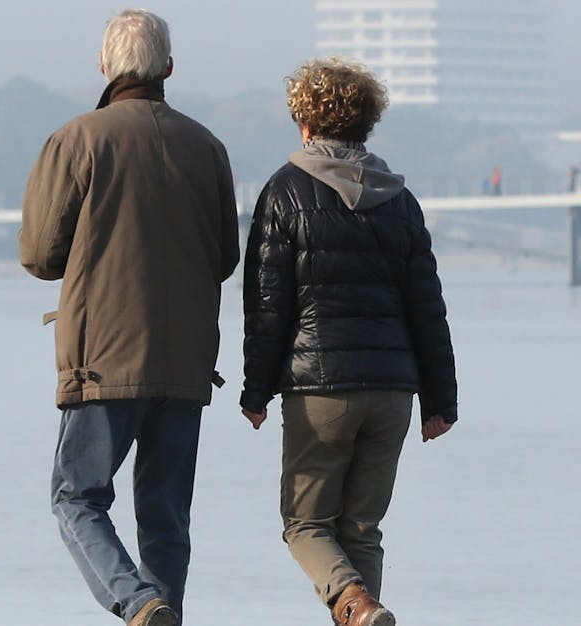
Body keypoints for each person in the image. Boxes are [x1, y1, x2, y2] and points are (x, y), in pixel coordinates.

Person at [19, 9, 238, 626]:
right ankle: (165, 612)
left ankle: (139, 602)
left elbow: (40, 256)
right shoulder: (208, 147)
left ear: (104, 65)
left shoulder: (77, 140)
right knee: (166, 513)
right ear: (168, 67)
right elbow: (225, 257)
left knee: (76, 497)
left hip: (103, 358)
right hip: (186, 359)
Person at [240, 56, 458, 626]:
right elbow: (427, 309)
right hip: (393, 391)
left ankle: (357, 606)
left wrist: (254, 391)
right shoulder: (401, 202)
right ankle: (362, 613)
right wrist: (441, 402)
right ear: (366, 124)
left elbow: (267, 304)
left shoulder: (284, 192)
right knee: (361, 529)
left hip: (320, 390)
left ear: (305, 124)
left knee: (306, 525)